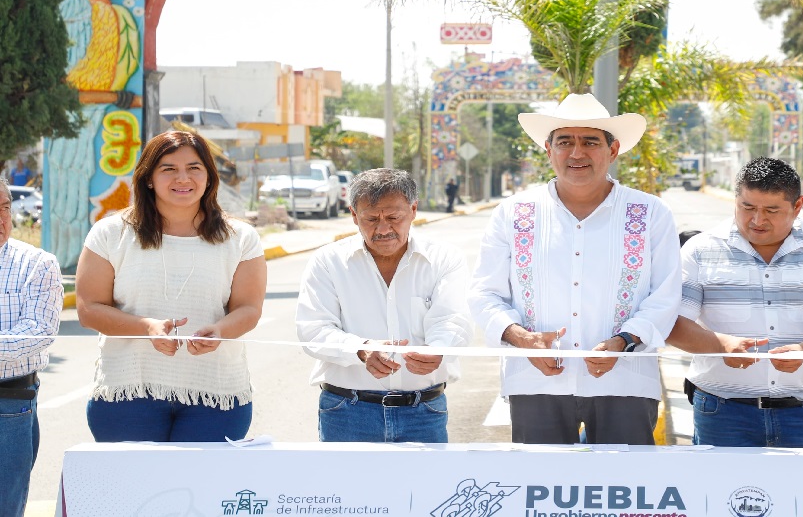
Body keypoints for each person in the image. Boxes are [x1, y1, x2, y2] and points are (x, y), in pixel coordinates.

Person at [470, 93, 681, 445]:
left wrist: (624, 341)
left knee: (623, 491)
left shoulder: (650, 214)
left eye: (590, 142)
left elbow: (666, 295)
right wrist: (523, 339)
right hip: (536, 380)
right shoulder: (513, 213)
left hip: (625, 381)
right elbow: (484, 292)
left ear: (613, 151)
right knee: (539, 490)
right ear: (548, 150)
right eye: (565, 142)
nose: (577, 153)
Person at [76, 130, 267, 441]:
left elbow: (249, 309)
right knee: (132, 489)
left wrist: (221, 331)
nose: (183, 178)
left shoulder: (241, 237)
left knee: (202, 490)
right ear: (149, 178)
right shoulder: (110, 233)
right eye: (168, 169)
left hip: (216, 394)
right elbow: (88, 309)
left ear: (209, 177)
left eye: (194, 168)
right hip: (128, 392)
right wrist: (146, 327)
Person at [669, 158, 803, 448]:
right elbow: (674, 324)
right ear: (735, 199)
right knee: (718, 494)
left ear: (797, 206)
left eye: (772, 210)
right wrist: (719, 345)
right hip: (722, 415)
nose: (757, 220)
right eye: (747, 208)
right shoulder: (700, 249)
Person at [296, 168, 471, 442]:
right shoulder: (328, 262)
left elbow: (452, 320)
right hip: (346, 412)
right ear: (354, 215)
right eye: (371, 219)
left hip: (423, 412)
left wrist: (438, 350)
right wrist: (362, 350)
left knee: (424, 487)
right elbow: (313, 329)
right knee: (344, 487)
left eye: (393, 217)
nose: (383, 229)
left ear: (413, 210)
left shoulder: (444, 259)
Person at [0, 177, 63, 515]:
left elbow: (37, 332)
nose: (1, 220)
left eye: (5, 208)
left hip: (7, 403)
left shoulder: (36, 264)